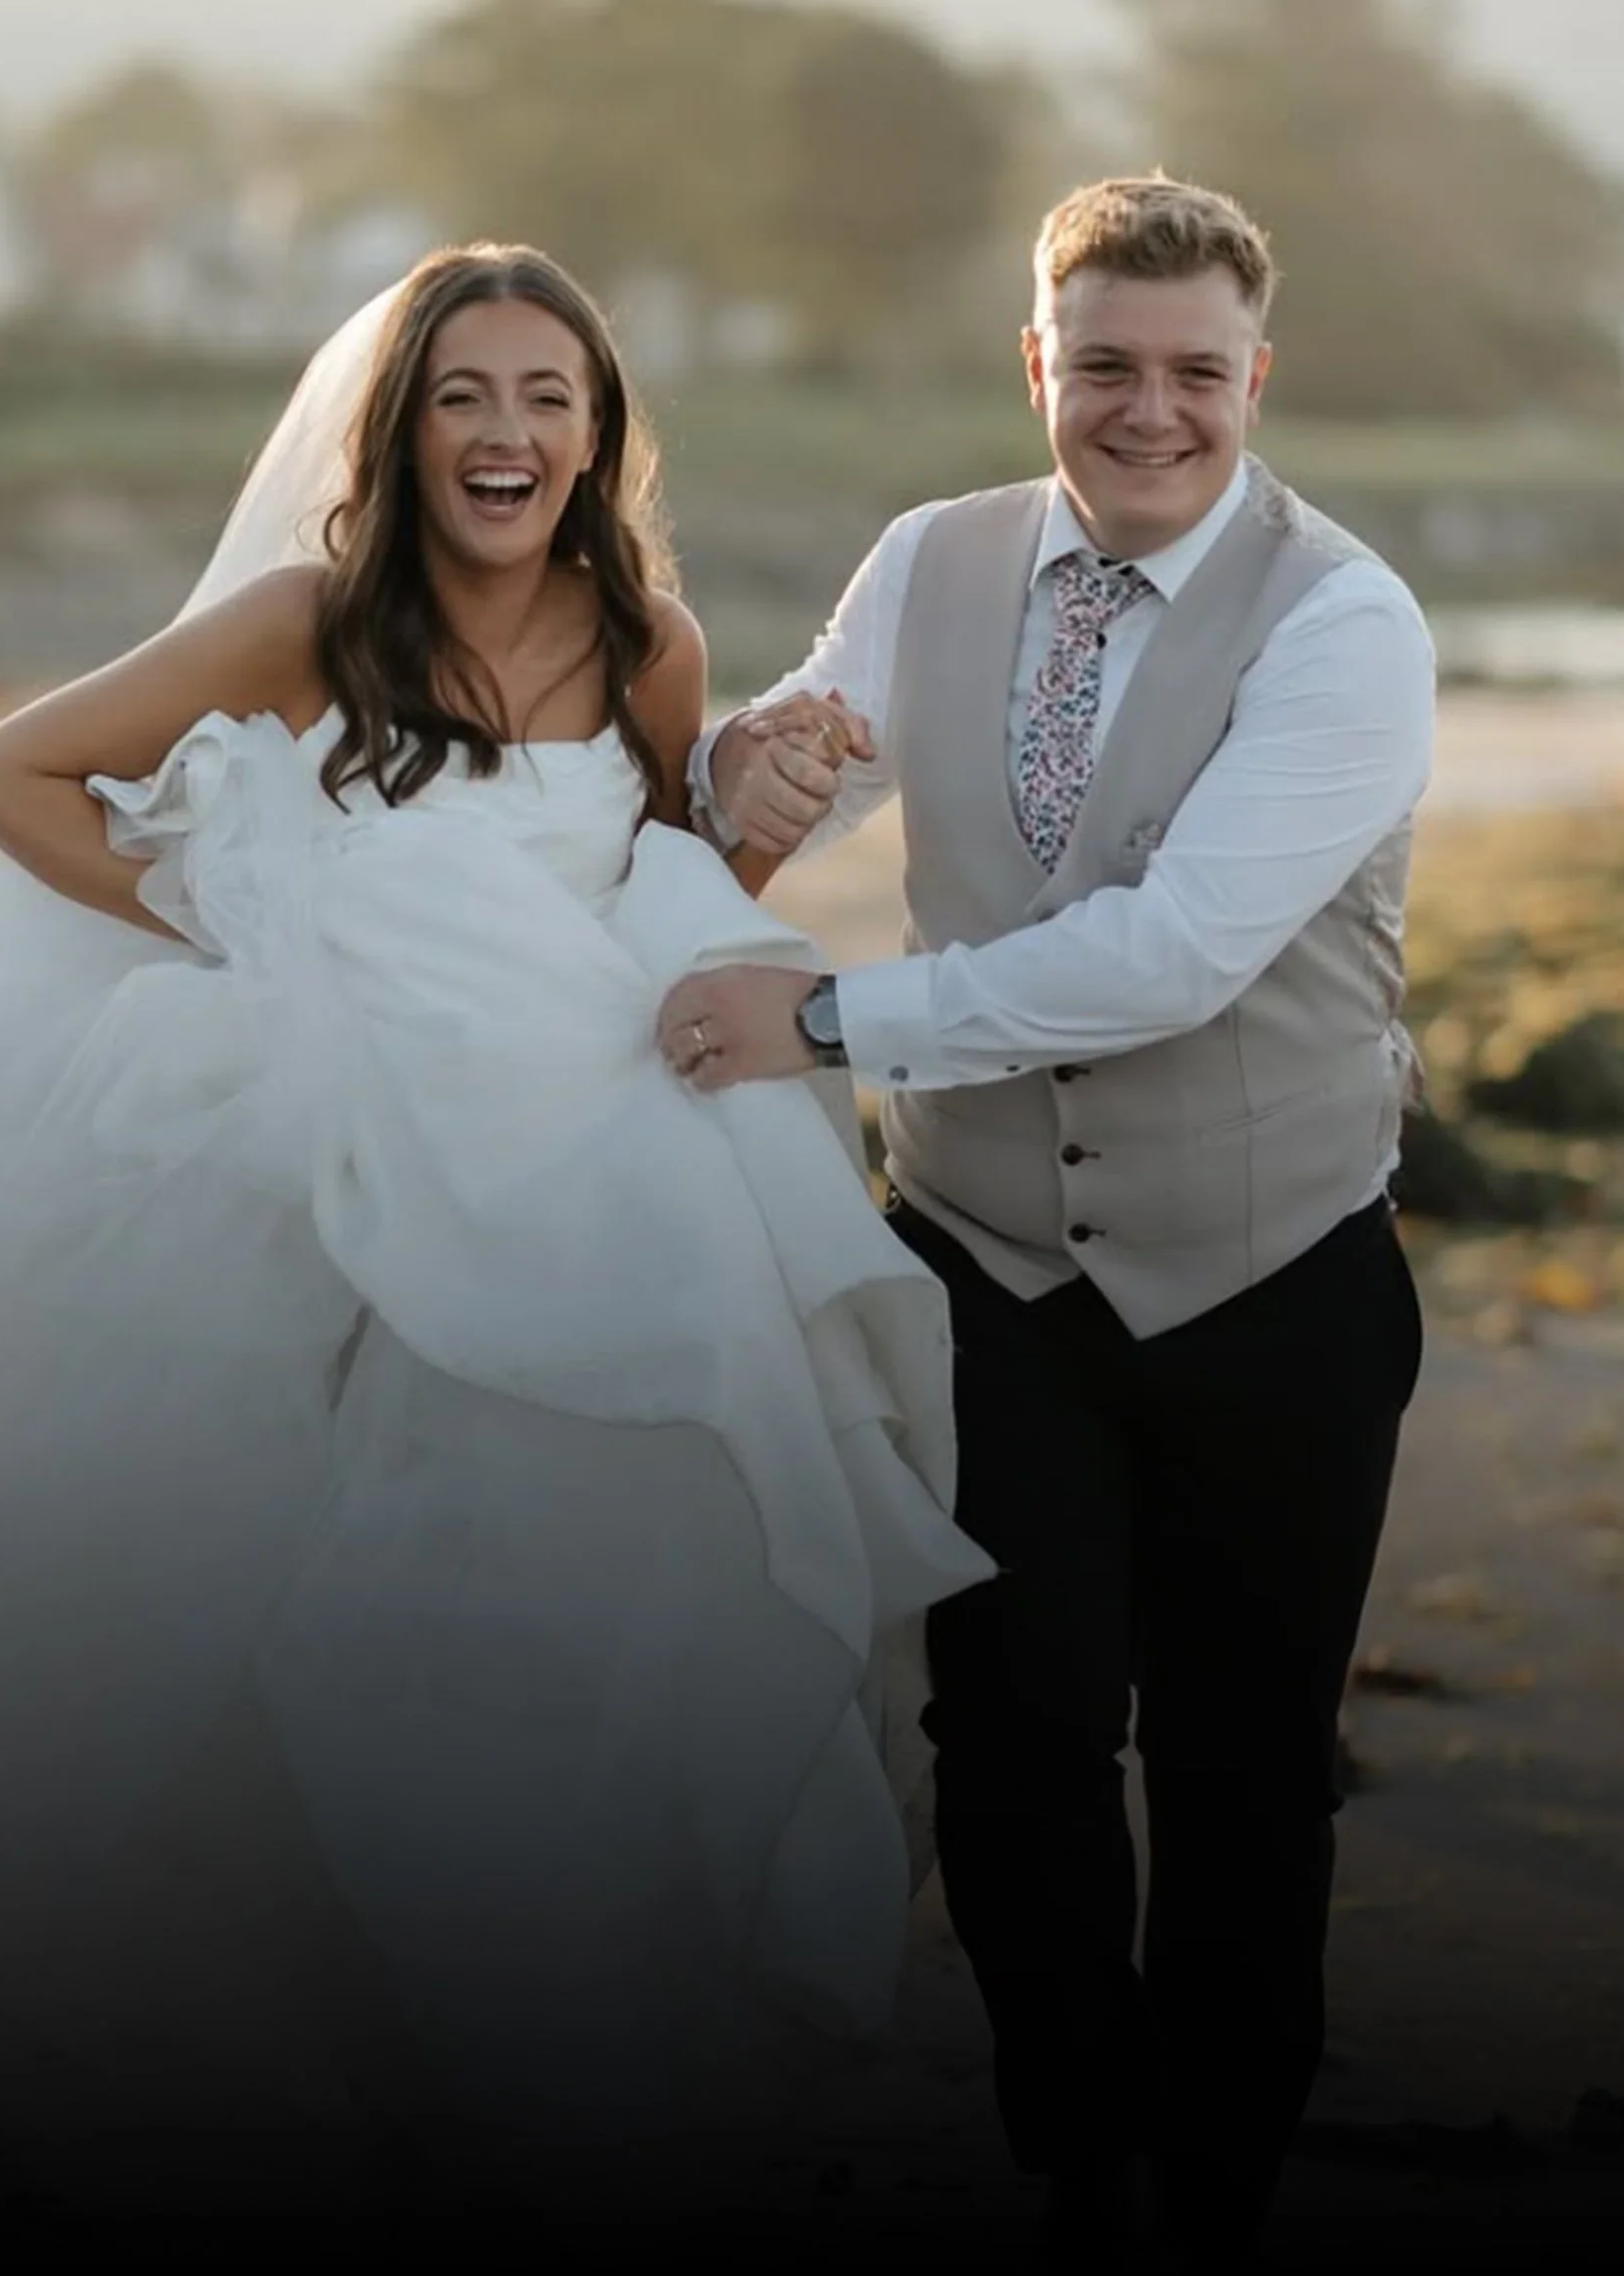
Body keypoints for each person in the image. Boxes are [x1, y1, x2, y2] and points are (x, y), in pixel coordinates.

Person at [0, 242, 992, 2221]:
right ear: (400, 428)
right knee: (287, 1600)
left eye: (550, 397)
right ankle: (305, 2068)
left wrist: (753, 831)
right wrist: (243, 928)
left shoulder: (652, 647)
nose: (507, 433)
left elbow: (641, 885)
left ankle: (547, 2022)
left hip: (577, 1174)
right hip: (320, 1172)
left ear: (599, 437)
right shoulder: (303, 623)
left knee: (616, 1560)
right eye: (464, 393)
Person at [662, 176, 1434, 2267]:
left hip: (1271, 1281)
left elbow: (1170, 953)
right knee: (1004, 1745)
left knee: (1244, 1763)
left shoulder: (1344, 620)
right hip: (981, 1266)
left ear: (1254, 380)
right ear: (1036, 363)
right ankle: (1072, 2150)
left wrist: (824, 1016)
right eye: (1102, 361)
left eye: (1194, 369)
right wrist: (761, 773)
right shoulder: (930, 560)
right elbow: (802, 758)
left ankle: (1216, 2180)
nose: (1147, 407)